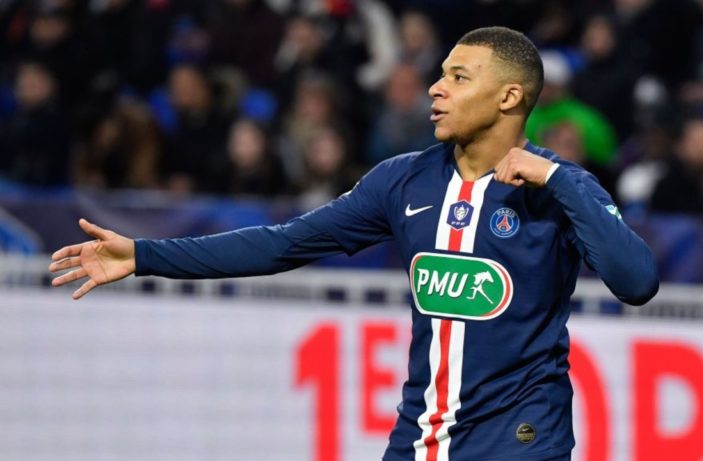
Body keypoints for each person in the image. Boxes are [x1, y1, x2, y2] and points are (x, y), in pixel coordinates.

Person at [49, 27, 658, 461]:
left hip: (521, 443)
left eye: (457, 77)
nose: (435, 89)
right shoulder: (403, 181)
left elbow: (636, 282)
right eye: (440, 74)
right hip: (420, 440)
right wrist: (145, 255)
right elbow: (281, 245)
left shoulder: (560, 187)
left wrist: (557, 179)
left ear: (509, 97)